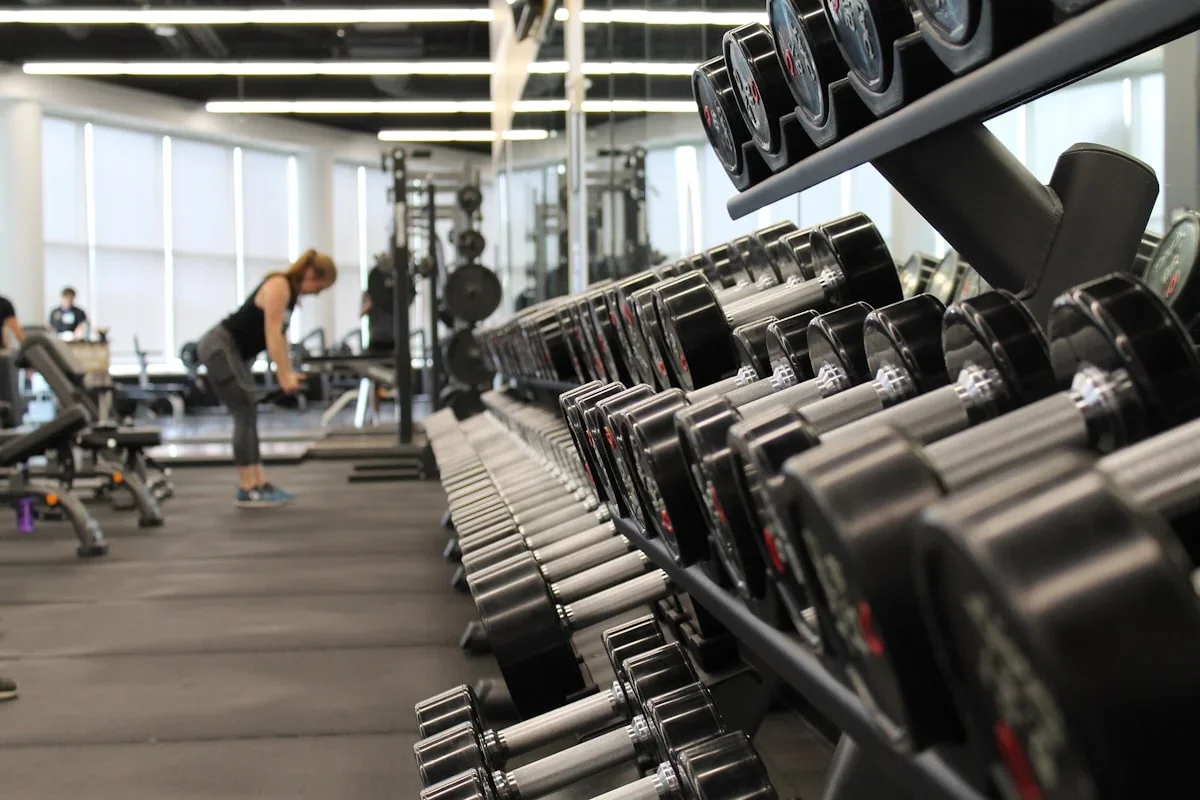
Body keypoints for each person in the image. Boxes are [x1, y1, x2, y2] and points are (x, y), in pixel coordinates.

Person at [197, 249, 337, 508]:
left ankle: (259, 482)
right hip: (220, 347)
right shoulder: (279, 285)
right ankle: (248, 486)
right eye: (320, 285)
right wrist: (283, 375)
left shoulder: (290, 296)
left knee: (248, 410)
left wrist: (288, 371)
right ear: (310, 274)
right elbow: (272, 333)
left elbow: (280, 338)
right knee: (243, 409)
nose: (318, 292)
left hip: (234, 352)